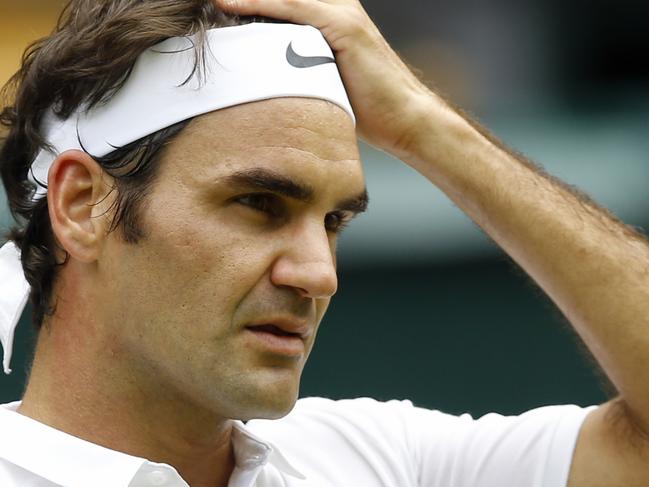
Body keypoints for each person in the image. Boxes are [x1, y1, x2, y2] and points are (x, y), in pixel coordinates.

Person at [0, 0, 648, 485]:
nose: (317, 272)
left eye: (335, 221)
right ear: (82, 204)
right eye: (258, 203)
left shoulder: (378, 459)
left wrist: (423, 125)